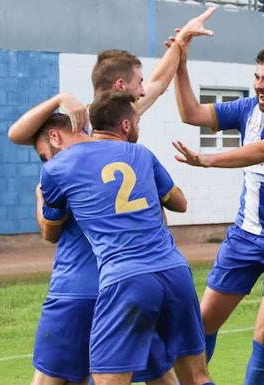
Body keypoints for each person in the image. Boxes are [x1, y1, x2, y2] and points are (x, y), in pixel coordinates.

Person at [172, 43, 264, 385]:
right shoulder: (247, 109)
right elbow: (191, 114)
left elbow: (262, 151)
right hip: (245, 237)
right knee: (202, 322)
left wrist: (207, 160)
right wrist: (180, 65)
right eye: (257, 76)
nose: (259, 85)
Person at [40, 90, 215, 385]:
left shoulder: (57, 168)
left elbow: (51, 229)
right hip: (174, 271)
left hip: (125, 278)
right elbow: (180, 203)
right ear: (126, 125)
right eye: (137, 121)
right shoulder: (142, 154)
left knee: (108, 379)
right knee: (197, 376)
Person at [27, 113, 180, 385]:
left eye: (43, 155)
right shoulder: (130, 156)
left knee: (50, 378)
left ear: (55, 136)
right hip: (132, 286)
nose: (47, 162)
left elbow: (50, 233)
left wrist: (40, 197)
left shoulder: (60, 171)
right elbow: (168, 213)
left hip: (76, 290)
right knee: (160, 374)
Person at [7, 7, 215, 144]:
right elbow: (16, 136)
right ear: (120, 85)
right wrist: (59, 99)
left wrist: (183, 35)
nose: (143, 91)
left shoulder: (126, 114)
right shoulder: (76, 123)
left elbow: (159, 82)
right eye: (139, 83)